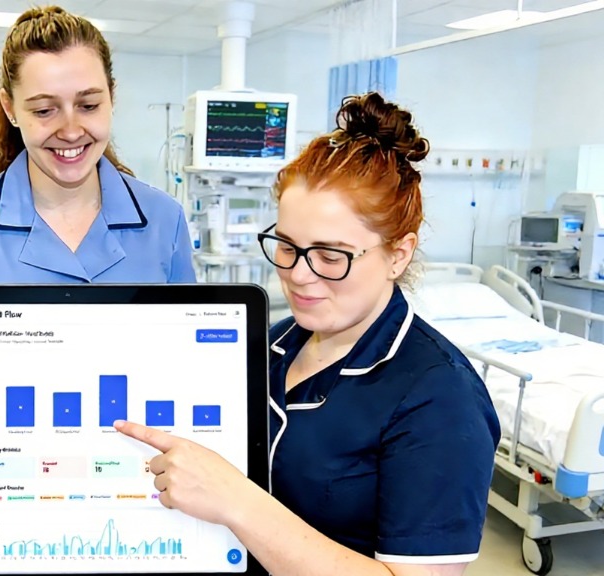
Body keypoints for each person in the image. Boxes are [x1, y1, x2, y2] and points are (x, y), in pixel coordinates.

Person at [115, 93, 501, 575]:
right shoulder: (277, 345)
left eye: (330, 256)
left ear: (399, 254)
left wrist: (237, 500)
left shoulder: (439, 397)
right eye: (287, 246)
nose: (299, 275)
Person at [0, 5, 195, 284]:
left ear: (111, 97)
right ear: (10, 108)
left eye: (88, 105)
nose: (71, 131)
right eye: (44, 110)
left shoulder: (165, 220)